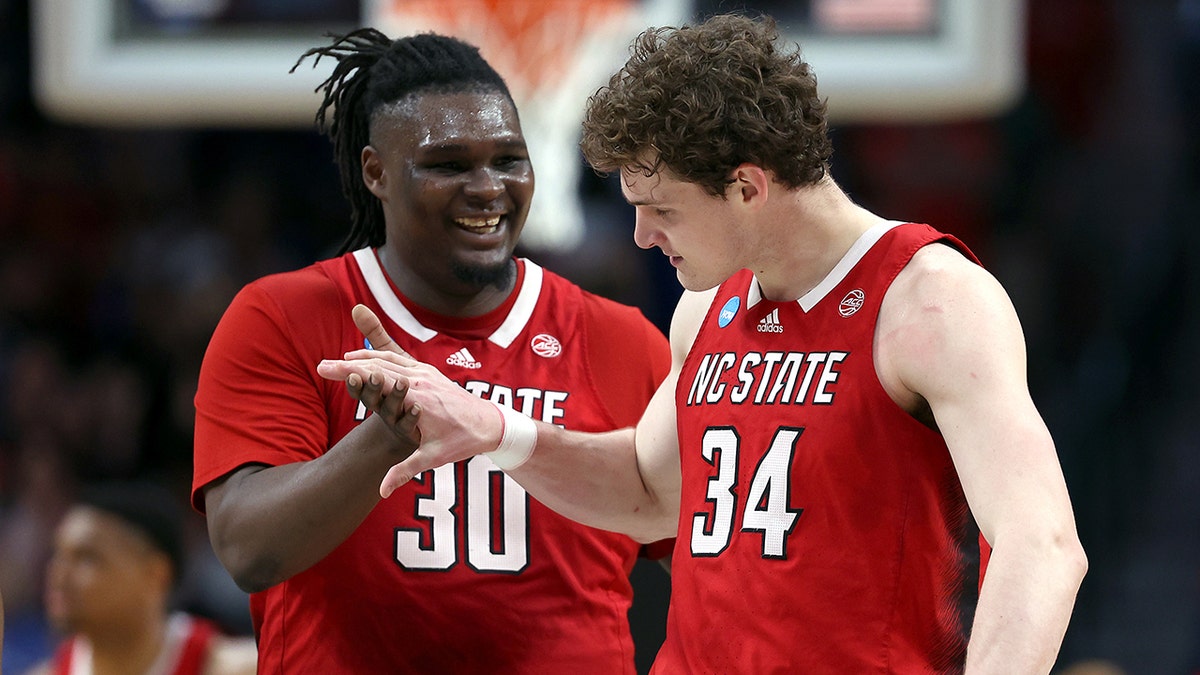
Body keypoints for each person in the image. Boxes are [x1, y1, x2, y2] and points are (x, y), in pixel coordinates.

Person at [318, 13, 1089, 673]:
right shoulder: (707, 308)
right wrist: (493, 429)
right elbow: (651, 495)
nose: (642, 237)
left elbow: (1043, 546)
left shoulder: (931, 301)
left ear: (748, 186)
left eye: (660, 209)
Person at [192, 28, 672, 673]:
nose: (487, 187)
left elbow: (701, 548)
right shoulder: (283, 316)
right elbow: (250, 550)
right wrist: (389, 433)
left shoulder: (621, 340)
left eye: (508, 159)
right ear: (376, 173)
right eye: (448, 165)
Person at [29, 482, 256, 675]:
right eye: (57, 555)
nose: (59, 574)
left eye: (87, 558)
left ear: (155, 573)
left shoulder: (239, 668)